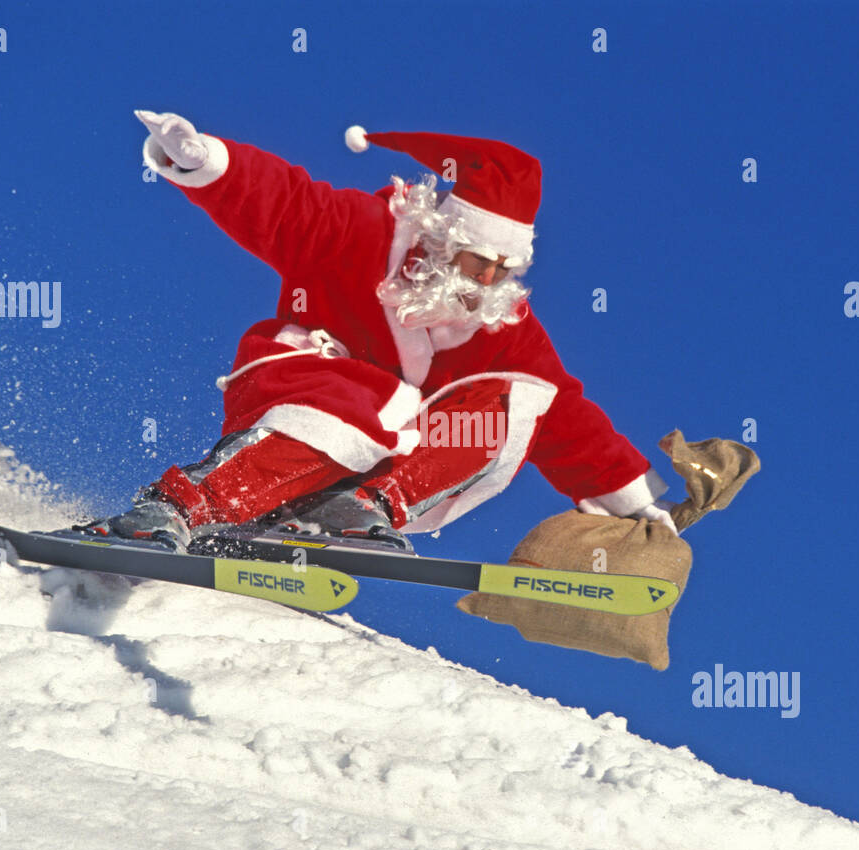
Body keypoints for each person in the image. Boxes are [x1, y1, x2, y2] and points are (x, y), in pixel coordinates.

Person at [73, 110, 678, 552]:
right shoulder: (359, 234)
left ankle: (358, 507)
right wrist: (208, 163)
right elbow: (287, 203)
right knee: (373, 399)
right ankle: (179, 506)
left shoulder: (500, 321)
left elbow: (566, 417)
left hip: (384, 461)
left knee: (524, 397)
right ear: (444, 237)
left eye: (504, 267)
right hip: (304, 397)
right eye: (477, 259)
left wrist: (635, 504)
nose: (488, 277)